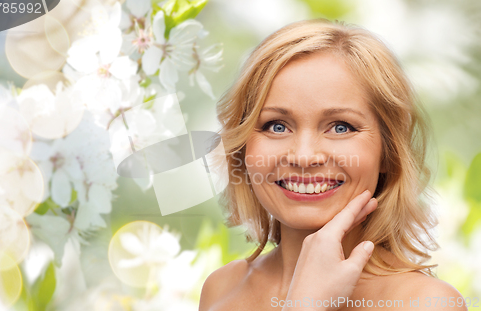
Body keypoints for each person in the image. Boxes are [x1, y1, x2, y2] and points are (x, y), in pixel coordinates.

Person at [199, 19, 466, 311]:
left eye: (340, 127)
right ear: (243, 148)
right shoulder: (221, 289)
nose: (303, 157)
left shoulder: (426, 303)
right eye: (277, 126)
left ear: (388, 153)